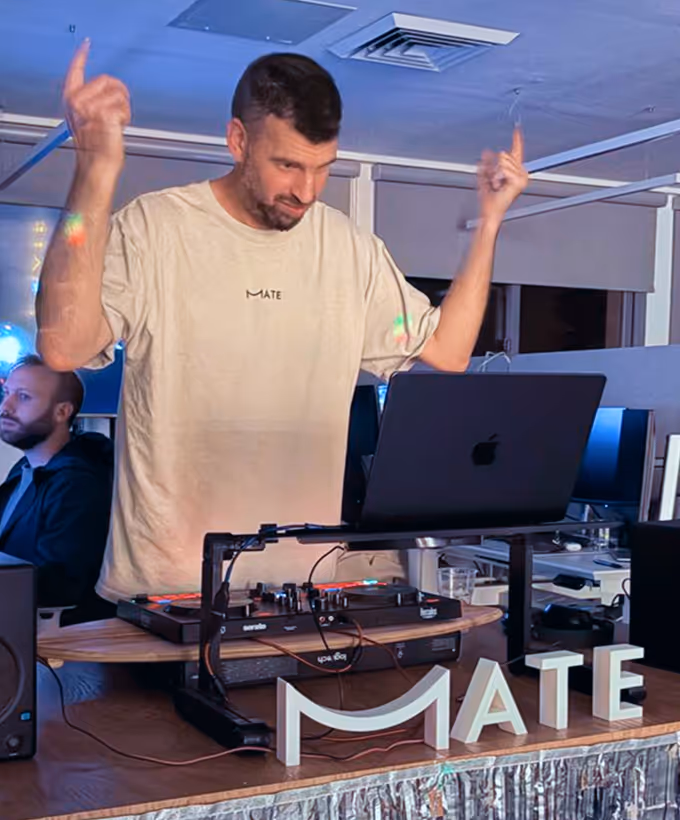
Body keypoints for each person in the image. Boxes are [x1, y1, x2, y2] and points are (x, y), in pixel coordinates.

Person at [36, 45, 528, 603]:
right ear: (238, 141)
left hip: (304, 591)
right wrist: (95, 169)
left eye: (323, 167)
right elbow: (62, 343)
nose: (307, 190)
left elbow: (448, 350)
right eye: (288, 165)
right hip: (171, 592)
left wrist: (488, 223)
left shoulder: (348, 249)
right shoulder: (155, 229)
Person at [0, 355, 114, 622]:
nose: (6, 406)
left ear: (62, 412)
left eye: (24, 397)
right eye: (6, 393)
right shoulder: (25, 468)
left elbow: (58, 585)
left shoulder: (77, 484)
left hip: (51, 646)